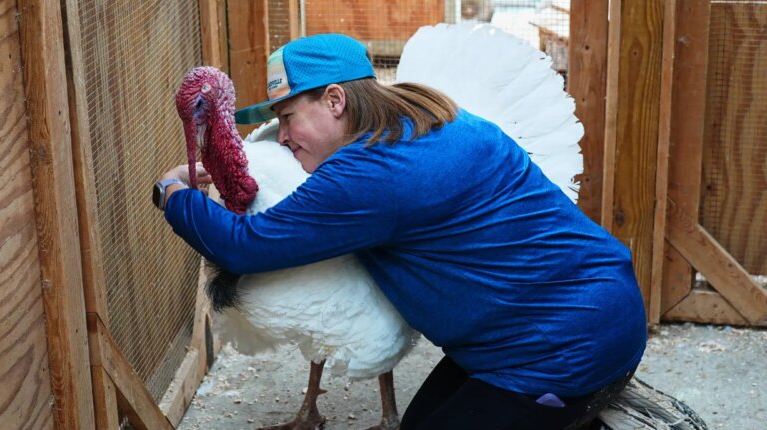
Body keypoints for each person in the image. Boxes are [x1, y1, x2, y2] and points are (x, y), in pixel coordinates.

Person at [156, 33, 647, 429]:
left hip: (563, 348)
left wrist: (173, 191)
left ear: (334, 100)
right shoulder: (434, 120)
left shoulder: (369, 176)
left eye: (287, 118)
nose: (282, 136)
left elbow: (244, 246)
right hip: (584, 313)